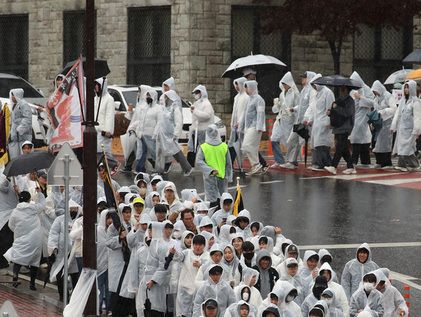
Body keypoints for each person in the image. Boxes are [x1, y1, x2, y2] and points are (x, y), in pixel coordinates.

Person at [4, 190, 45, 290]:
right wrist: (40, 193)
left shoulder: (15, 211)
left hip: (20, 239)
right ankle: (32, 284)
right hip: (35, 239)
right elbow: (42, 204)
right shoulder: (33, 208)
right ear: (29, 199)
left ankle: (15, 278)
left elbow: (11, 225)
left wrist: (19, 232)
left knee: (17, 258)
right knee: (35, 261)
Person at [47, 200, 81, 301]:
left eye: (75, 209)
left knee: (75, 275)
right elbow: (53, 234)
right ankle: (63, 295)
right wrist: (53, 248)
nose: (73, 211)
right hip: (61, 254)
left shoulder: (80, 221)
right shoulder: (60, 220)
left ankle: (75, 297)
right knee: (60, 275)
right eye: (71, 209)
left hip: (75, 254)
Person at [282, 71, 317, 168]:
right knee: (293, 140)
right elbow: (302, 105)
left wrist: (307, 118)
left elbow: (311, 105)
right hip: (299, 120)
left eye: (304, 77)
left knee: (309, 142)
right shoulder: (304, 90)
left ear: (309, 78)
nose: (302, 79)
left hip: (306, 121)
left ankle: (293, 161)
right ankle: (292, 161)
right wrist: (294, 109)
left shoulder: (311, 91)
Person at [155, 90, 192, 175]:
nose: (165, 98)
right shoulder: (164, 108)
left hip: (170, 135)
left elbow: (178, 122)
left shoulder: (175, 108)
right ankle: (161, 169)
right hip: (163, 134)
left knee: (176, 152)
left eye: (166, 97)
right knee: (163, 152)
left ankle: (187, 168)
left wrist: (176, 134)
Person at [196, 124, 233, 205]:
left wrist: (210, 170)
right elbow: (228, 164)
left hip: (210, 178)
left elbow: (199, 161)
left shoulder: (204, 147)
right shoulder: (224, 146)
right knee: (223, 201)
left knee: (211, 201)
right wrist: (229, 177)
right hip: (222, 178)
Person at [303, 74, 335, 170]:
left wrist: (329, 121)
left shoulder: (327, 93)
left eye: (314, 86)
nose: (314, 88)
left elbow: (330, 108)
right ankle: (319, 163)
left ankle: (325, 163)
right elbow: (314, 109)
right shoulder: (317, 94)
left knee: (322, 144)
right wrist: (310, 120)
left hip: (325, 122)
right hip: (317, 123)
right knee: (317, 144)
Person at [175, 234, 210, 317]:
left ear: (204, 246)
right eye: (195, 244)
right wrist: (174, 252)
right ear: (192, 245)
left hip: (200, 290)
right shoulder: (187, 253)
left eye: (200, 245)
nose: (198, 247)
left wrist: (201, 264)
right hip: (185, 289)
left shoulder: (208, 256)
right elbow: (178, 257)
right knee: (184, 312)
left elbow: (210, 268)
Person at [126, 87, 160, 173]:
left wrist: (155, 134)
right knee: (143, 152)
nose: (147, 97)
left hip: (151, 135)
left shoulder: (158, 108)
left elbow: (159, 122)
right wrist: (135, 129)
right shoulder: (145, 107)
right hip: (142, 134)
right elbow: (140, 120)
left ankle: (155, 168)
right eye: (147, 95)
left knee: (149, 153)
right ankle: (141, 168)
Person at [324, 85, 356, 175]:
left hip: (345, 127)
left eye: (342, 89)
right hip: (338, 126)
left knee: (339, 147)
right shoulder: (339, 99)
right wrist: (330, 113)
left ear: (346, 90)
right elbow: (336, 112)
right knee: (343, 148)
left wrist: (336, 107)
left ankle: (333, 166)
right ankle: (350, 167)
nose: (341, 91)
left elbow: (347, 113)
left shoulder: (350, 101)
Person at [270, 72, 299, 168]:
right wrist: (277, 104)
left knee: (290, 141)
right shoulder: (282, 94)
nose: (283, 86)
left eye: (285, 84)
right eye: (282, 84)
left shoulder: (295, 94)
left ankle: (293, 161)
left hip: (290, 120)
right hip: (280, 119)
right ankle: (279, 160)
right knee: (274, 138)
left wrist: (293, 109)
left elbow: (300, 106)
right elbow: (277, 109)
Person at [391, 80, 421, 171]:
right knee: (402, 148)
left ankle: (414, 165)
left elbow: (417, 117)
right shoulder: (403, 101)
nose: (406, 89)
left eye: (408, 87)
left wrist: (417, 130)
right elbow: (397, 113)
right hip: (402, 128)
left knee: (408, 148)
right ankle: (403, 165)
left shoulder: (416, 102)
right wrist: (394, 125)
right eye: (405, 87)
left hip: (410, 130)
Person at [349, 71, 375, 167]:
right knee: (356, 141)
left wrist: (361, 98)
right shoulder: (352, 91)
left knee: (364, 142)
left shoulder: (367, 89)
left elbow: (373, 102)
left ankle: (365, 162)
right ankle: (353, 162)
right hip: (356, 119)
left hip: (364, 119)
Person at [370, 81, 397, 169]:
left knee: (385, 143)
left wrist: (384, 111)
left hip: (387, 123)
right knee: (377, 143)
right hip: (378, 124)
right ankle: (379, 161)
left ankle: (387, 163)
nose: (375, 93)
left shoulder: (388, 96)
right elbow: (374, 109)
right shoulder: (376, 98)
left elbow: (393, 108)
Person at [241, 80, 266, 175]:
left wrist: (259, 126)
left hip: (255, 127)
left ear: (252, 87)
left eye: (247, 87)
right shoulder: (250, 99)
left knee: (246, 146)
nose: (246, 90)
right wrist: (242, 126)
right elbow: (246, 114)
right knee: (253, 148)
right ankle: (256, 166)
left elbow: (260, 113)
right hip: (249, 127)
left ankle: (256, 164)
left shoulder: (259, 99)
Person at [189, 85, 215, 163]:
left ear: (202, 93)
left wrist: (195, 111)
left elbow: (207, 115)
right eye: (195, 93)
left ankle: (210, 164)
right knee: (192, 148)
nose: (196, 94)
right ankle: (190, 166)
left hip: (204, 130)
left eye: (197, 92)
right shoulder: (197, 103)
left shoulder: (206, 104)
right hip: (196, 129)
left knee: (205, 149)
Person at [229, 77, 249, 169]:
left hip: (242, 125)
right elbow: (235, 111)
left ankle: (261, 163)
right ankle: (235, 163)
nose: (236, 87)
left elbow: (244, 112)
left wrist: (240, 122)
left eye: (238, 84)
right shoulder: (236, 97)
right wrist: (233, 122)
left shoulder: (246, 97)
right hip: (235, 126)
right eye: (235, 85)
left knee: (244, 146)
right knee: (234, 144)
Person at [0, 175, 19, 269]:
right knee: (7, 241)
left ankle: (4, 262)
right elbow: (4, 186)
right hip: (8, 215)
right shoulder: (5, 179)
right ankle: (4, 262)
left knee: (6, 240)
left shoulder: (11, 180)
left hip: (6, 215)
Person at [8, 88, 32, 159]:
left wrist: (19, 129)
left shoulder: (24, 104)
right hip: (16, 134)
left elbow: (27, 118)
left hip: (23, 134)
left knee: (24, 154)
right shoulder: (15, 105)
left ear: (17, 95)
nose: (12, 97)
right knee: (16, 154)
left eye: (13, 95)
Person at [94, 78, 115, 156]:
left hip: (103, 133)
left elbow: (109, 116)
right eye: (95, 85)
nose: (96, 87)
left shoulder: (109, 99)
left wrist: (107, 131)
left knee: (105, 155)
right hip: (95, 131)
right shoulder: (95, 99)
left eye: (97, 85)